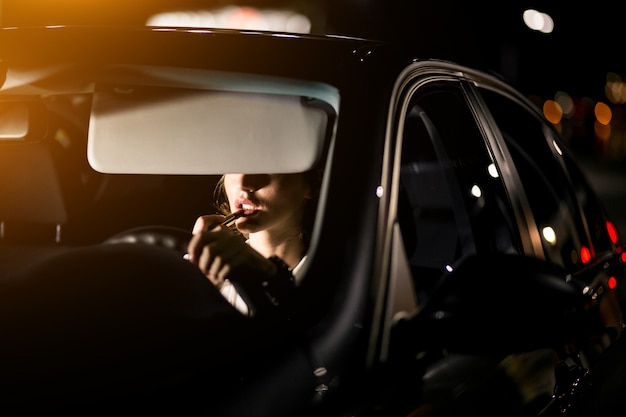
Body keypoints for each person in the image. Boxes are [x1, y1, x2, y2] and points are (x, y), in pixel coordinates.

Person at [185, 172, 319, 317]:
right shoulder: (200, 270)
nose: (243, 183)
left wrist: (272, 277)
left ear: (311, 184)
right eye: (235, 164)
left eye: (267, 166)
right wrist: (198, 285)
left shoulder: (338, 282)